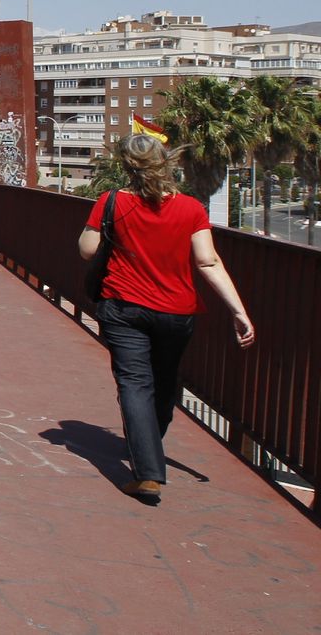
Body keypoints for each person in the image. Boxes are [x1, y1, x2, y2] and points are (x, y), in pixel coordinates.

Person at [78, 134, 256, 505]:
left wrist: (98, 230)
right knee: (163, 383)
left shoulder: (112, 202)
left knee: (134, 384)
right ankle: (149, 451)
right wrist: (238, 311)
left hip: (124, 307)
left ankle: (147, 472)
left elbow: (87, 250)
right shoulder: (191, 208)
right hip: (177, 312)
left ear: (126, 166)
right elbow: (208, 262)